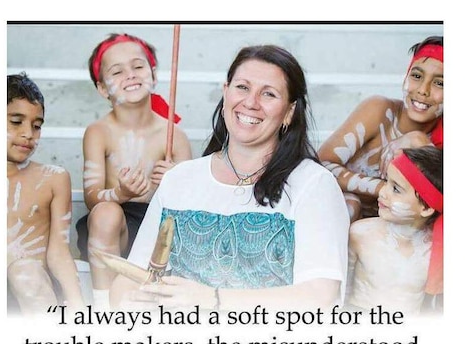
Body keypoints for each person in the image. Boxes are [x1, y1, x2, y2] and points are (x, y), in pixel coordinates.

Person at [110, 45, 350, 311]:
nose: (250, 102)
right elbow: (130, 275)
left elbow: (320, 297)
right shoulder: (179, 179)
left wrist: (213, 300)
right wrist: (131, 299)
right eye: (242, 87)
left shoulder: (313, 184)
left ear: (289, 112)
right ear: (225, 92)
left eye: (268, 94)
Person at [76, 33, 192, 310]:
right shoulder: (98, 132)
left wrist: (175, 181)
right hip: (114, 228)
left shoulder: (173, 135)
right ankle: (106, 307)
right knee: (105, 211)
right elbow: (93, 198)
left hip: (157, 227)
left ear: (153, 73)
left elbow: (190, 203)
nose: (130, 74)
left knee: (177, 224)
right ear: (103, 89)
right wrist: (121, 192)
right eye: (117, 71)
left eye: (138, 66)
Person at [318, 35, 443, 222]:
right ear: (406, 78)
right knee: (350, 205)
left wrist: (421, 143)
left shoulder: (441, 140)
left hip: (388, 233)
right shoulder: (379, 110)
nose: (423, 90)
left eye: (440, 83)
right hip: (342, 217)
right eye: (416, 76)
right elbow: (321, 165)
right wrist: (383, 189)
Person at [7, 72, 86, 316]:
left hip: (34, 288)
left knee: (25, 272)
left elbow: (59, 252)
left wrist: (77, 304)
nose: (28, 133)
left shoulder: (53, 179)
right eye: (16, 121)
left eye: (37, 126)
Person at [347, 146, 443, 315]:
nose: (383, 192)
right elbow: (340, 291)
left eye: (396, 189)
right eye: (386, 182)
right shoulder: (360, 234)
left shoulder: (435, 251)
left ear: (426, 208)